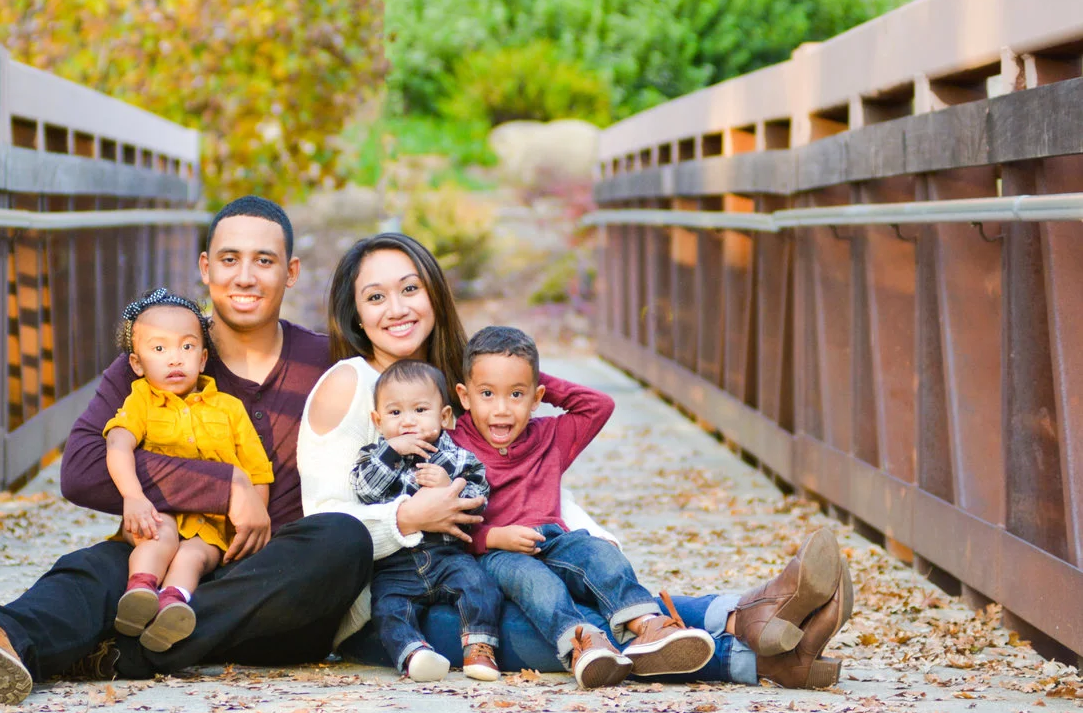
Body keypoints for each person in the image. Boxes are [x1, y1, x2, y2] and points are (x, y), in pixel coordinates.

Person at [299, 232, 854, 688]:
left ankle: (747, 615)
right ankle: (762, 651)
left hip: (464, 572)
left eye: (409, 289)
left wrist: (586, 528)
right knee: (554, 619)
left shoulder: (451, 389)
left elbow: (526, 478)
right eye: (376, 297)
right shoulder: (351, 384)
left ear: (434, 295)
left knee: (583, 579)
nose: (396, 308)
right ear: (356, 313)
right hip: (392, 610)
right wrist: (409, 518)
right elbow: (326, 529)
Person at [0, 196, 370, 704]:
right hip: (167, 554)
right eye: (230, 259)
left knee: (343, 540)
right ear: (205, 268)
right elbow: (80, 467)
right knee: (103, 564)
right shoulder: (156, 354)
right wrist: (223, 486)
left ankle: (124, 650)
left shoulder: (332, 362)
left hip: (274, 585)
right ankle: (6, 637)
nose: (245, 277)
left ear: (291, 271)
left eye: (265, 260)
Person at [453, 325, 714, 686]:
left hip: (554, 539)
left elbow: (598, 406)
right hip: (499, 553)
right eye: (487, 393)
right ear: (464, 397)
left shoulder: (551, 436)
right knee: (536, 583)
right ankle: (584, 643)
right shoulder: (453, 444)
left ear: (537, 396)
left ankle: (647, 627)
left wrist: (527, 372)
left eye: (516, 394)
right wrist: (493, 537)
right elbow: (448, 525)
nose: (501, 409)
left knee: (599, 553)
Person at [102, 288, 274, 652]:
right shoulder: (141, 401)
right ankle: (140, 593)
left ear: (203, 356)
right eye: (159, 349)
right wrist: (132, 497)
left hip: (211, 528)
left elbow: (256, 470)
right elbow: (118, 444)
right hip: (156, 513)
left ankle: (173, 605)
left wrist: (255, 524)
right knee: (159, 535)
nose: (174, 359)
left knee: (193, 556)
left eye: (186, 346)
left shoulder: (229, 409)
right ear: (137, 363)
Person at [351, 360, 501, 681]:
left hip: (447, 556)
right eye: (394, 414)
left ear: (444, 416)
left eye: (420, 410)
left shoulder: (458, 458)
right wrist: (391, 452)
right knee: (387, 608)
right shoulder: (374, 456)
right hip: (396, 564)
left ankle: (478, 648)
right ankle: (415, 654)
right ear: (378, 421)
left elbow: (478, 500)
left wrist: (450, 488)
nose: (408, 422)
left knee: (480, 586)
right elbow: (363, 490)